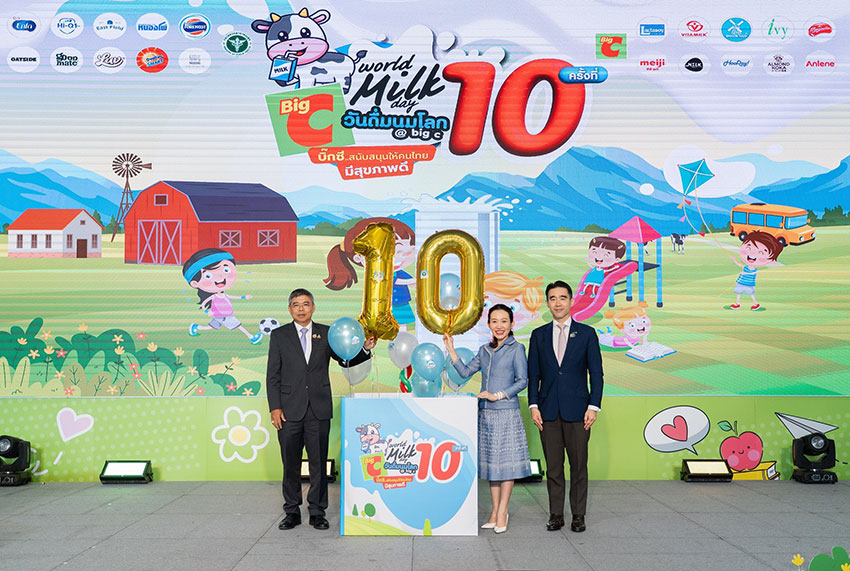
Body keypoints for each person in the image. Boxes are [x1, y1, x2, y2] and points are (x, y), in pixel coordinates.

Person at [266, 288, 375, 530]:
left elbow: (345, 359)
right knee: (290, 465)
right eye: (296, 304)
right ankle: (292, 511)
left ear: (313, 307)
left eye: (306, 304)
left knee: (318, 464)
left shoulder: (327, 333)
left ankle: (317, 511)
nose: (301, 308)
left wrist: (364, 349)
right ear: (289, 309)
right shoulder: (279, 335)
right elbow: (272, 375)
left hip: (318, 410)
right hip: (289, 411)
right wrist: (275, 408)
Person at [443, 304, 531, 534]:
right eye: (494, 321)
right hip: (486, 414)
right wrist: (451, 349)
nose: (499, 326)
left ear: (512, 324)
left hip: (507, 412)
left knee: (506, 466)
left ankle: (503, 512)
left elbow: (523, 381)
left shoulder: (517, 348)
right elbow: (464, 372)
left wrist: (497, 395)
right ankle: (494, 512)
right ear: (489, 324)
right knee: (492, 466)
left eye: (504, 321)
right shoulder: (484, 350)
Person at [528, 280, 603, 533]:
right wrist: (533, 405)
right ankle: (556, 514)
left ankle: (578, 515)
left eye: (562, 297)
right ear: (547, 303)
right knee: (554, 467)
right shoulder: (538, 335)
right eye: (552, 298)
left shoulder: (587, 334)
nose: (558, 303)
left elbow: (596, 374)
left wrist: (593, 406)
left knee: (579, 466)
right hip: (547, 411)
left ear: (571, 301)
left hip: (579, 412)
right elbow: (533, 375)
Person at [323, 217, 417, 329]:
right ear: (358, 257)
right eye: (398, 251)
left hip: (400, 303)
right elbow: (394, 281)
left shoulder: (398, 272)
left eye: (410, 250)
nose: (406, 255)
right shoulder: (378, 274)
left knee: (401, 324)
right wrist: (413, 280)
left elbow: (410, 282)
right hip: (380, 307)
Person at [182, 248, 262, 344]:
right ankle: (252, 337)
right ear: (195, 283)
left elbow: (232, 297)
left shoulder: (223, 295)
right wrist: (207, 311)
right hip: (224, 315)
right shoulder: (214, 297)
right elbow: (204, 304)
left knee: (211, 327)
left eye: (226, 270)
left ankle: (196, 327)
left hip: (221, 315)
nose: (220, 277)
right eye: (208, 276)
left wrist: (244, 297)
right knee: (238, 325)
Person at [728, 231, 783, 310]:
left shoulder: (754, 270)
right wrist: (733, 259)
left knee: (751, 294)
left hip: (748, 284)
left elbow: (753, 272)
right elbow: (740, 265)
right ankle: (737, 304)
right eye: (748, 248)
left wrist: (744, 273)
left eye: (761, 253)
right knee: (738, 293)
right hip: (741, 282)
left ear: (771, 260)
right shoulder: (746, 267)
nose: (752, 254)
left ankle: (756, 304)